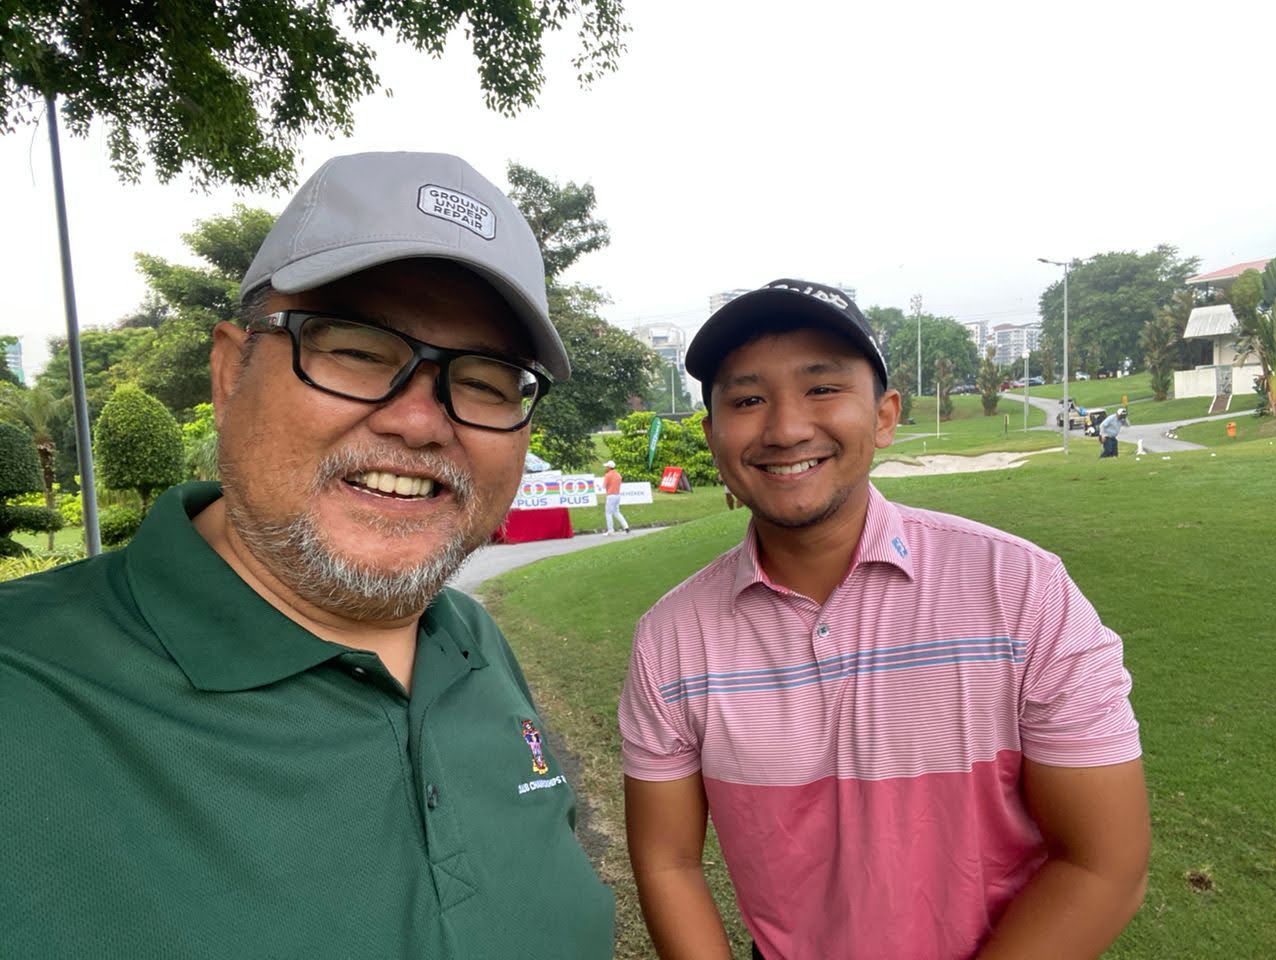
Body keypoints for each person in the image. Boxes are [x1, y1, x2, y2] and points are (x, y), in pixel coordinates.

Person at [0, 152, 614, 958]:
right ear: (230, 373)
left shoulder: (470, 642)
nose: (420, 421)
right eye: (356, 349)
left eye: (488, 379)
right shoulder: (25, 693)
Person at [618, 279, 1149, 960]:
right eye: (747, 400)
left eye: (822, 388)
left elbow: (1104, 864)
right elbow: (668, 864)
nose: (786, 428)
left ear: (885, 416)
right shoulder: (672, 638)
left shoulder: (1022, 592)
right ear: (713, 436)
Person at [602, 459, 630, 535]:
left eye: (607, 467)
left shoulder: (608, 475)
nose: (606, 468)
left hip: (611, 495)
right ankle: (626, 527)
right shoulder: (618, 475)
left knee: (608, 513)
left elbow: (604, 486)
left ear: (609, 467)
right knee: (616, 512)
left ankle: (610, 530)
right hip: (617, 495)